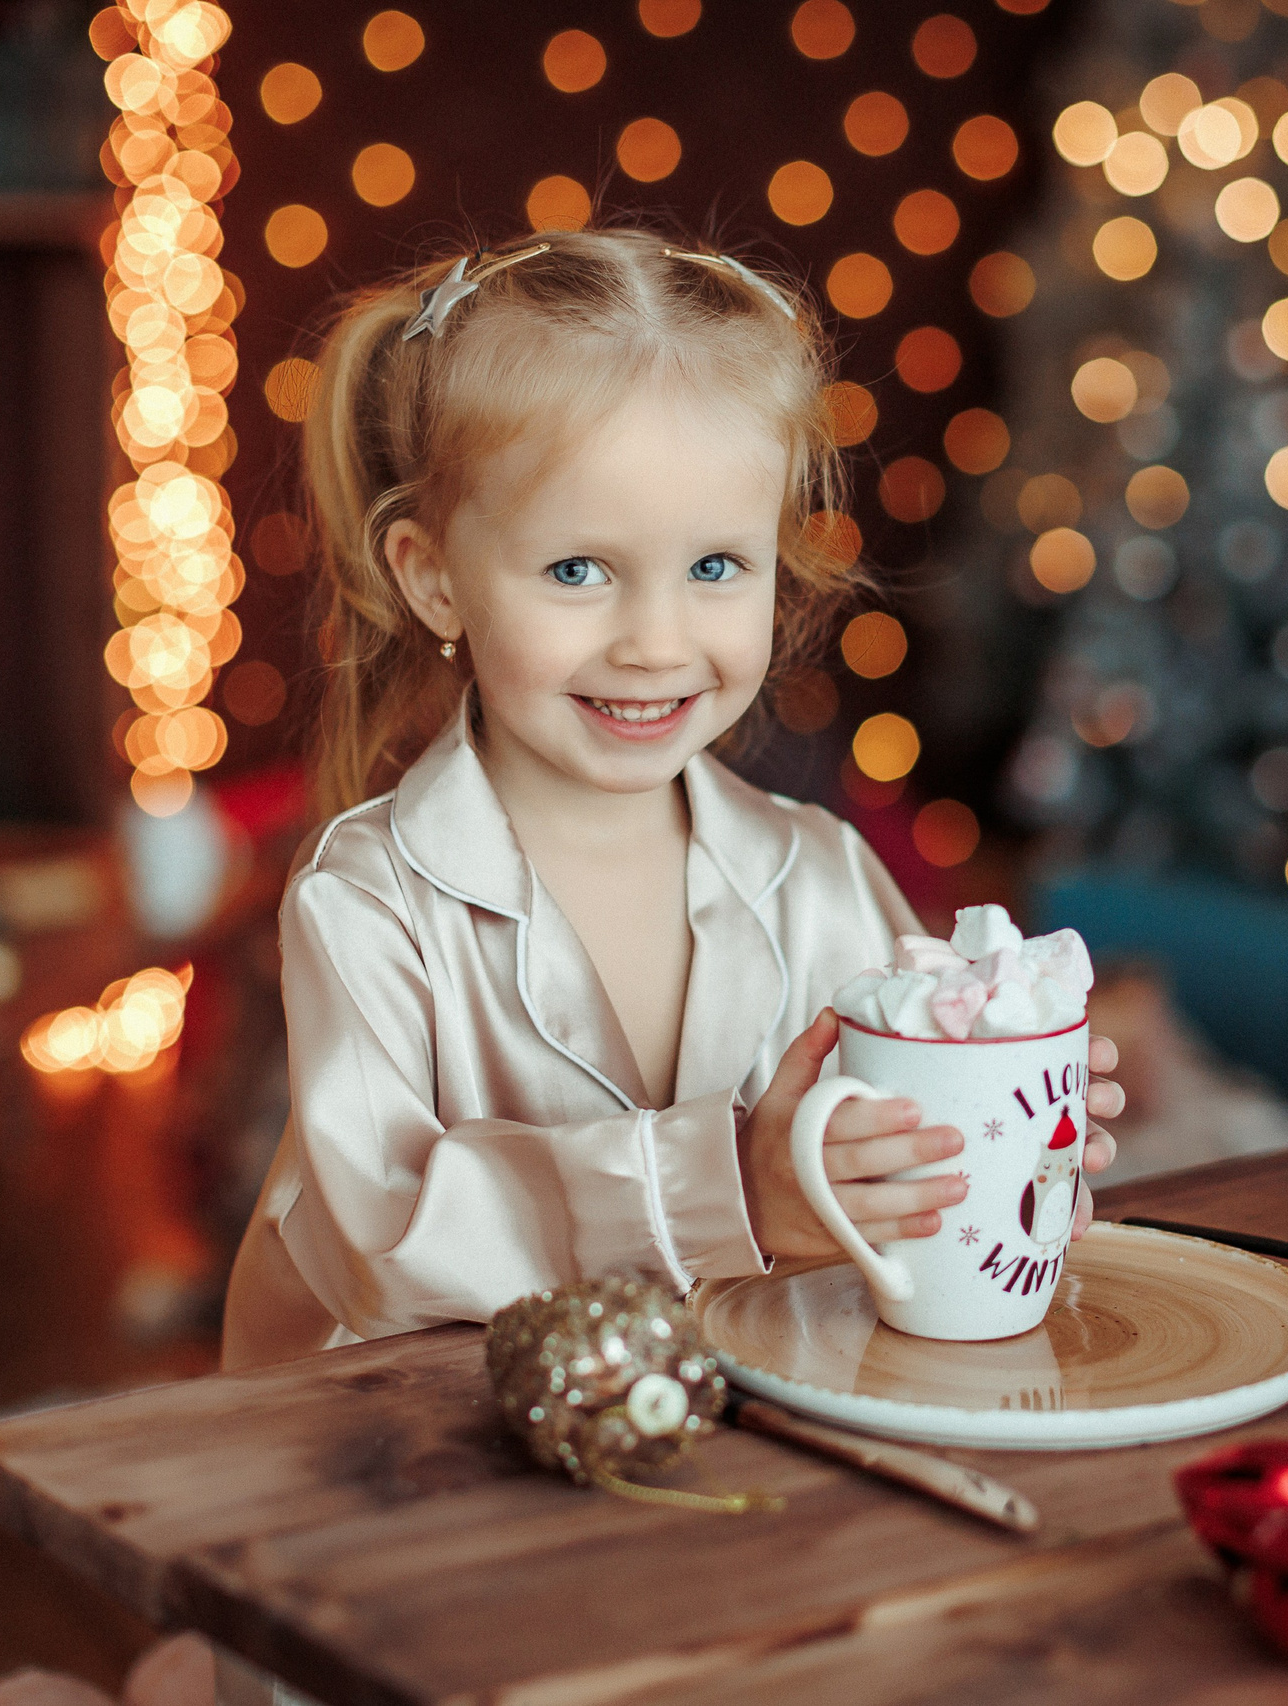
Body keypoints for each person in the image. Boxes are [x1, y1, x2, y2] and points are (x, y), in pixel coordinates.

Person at [222, 228, 1124, 1371]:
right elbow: (386, 1238)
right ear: (432, 575)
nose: (655, 644)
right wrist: (733, 1182)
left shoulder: (823, 873)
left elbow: (879, 1169)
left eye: (713, 568)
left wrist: (993, 1142)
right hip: (421, 1471)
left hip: (753, 1460)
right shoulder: (366, 902)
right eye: (576, 570)